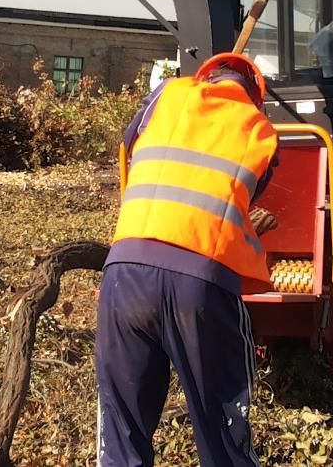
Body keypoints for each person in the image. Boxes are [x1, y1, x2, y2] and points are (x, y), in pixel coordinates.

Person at [96, 52, 279, 467]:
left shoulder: (168, 94)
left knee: (122, 429)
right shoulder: (260, 128)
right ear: (257, 97)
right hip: (201, 282)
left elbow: (130, 141)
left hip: (124, 273)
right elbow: (249, 194)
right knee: (222, 429)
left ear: (205, 77)